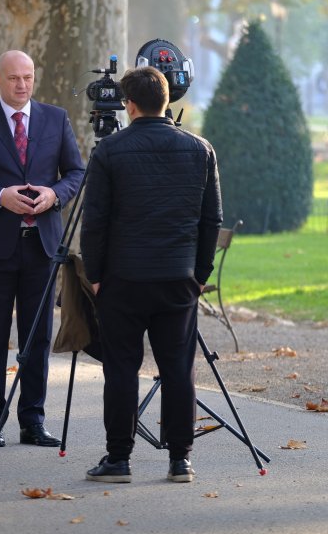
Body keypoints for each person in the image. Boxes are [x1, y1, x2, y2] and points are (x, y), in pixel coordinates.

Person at [80, 66, 223, 483]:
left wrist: (95, 274)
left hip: (123, 279)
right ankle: (181, 458)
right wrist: (199, 272)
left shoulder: (109, 151)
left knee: (121, 369)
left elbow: (96, 220)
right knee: (178, 368)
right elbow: (210, 219)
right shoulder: (200, 150)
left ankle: (118, 459)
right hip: (178, 278)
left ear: (129, 104)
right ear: (168, 101)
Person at [0, 50, 85, 448]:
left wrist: (54, 195)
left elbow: (75, 172)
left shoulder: (56, 119)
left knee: (37, 337)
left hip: (41, 245)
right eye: (13, 78)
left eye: (28, 77)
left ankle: (33, 420)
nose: (22, 84)